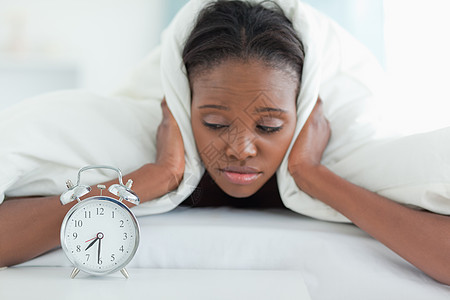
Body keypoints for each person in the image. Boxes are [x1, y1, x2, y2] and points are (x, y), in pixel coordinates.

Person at [1, 0, 450, 286]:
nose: (241, 149)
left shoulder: (333, 148)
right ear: (182, 105)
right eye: (214, 122)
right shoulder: (157, 142)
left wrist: (313, 175)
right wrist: (153, 178)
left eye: (270, 127)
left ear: (303, 110)